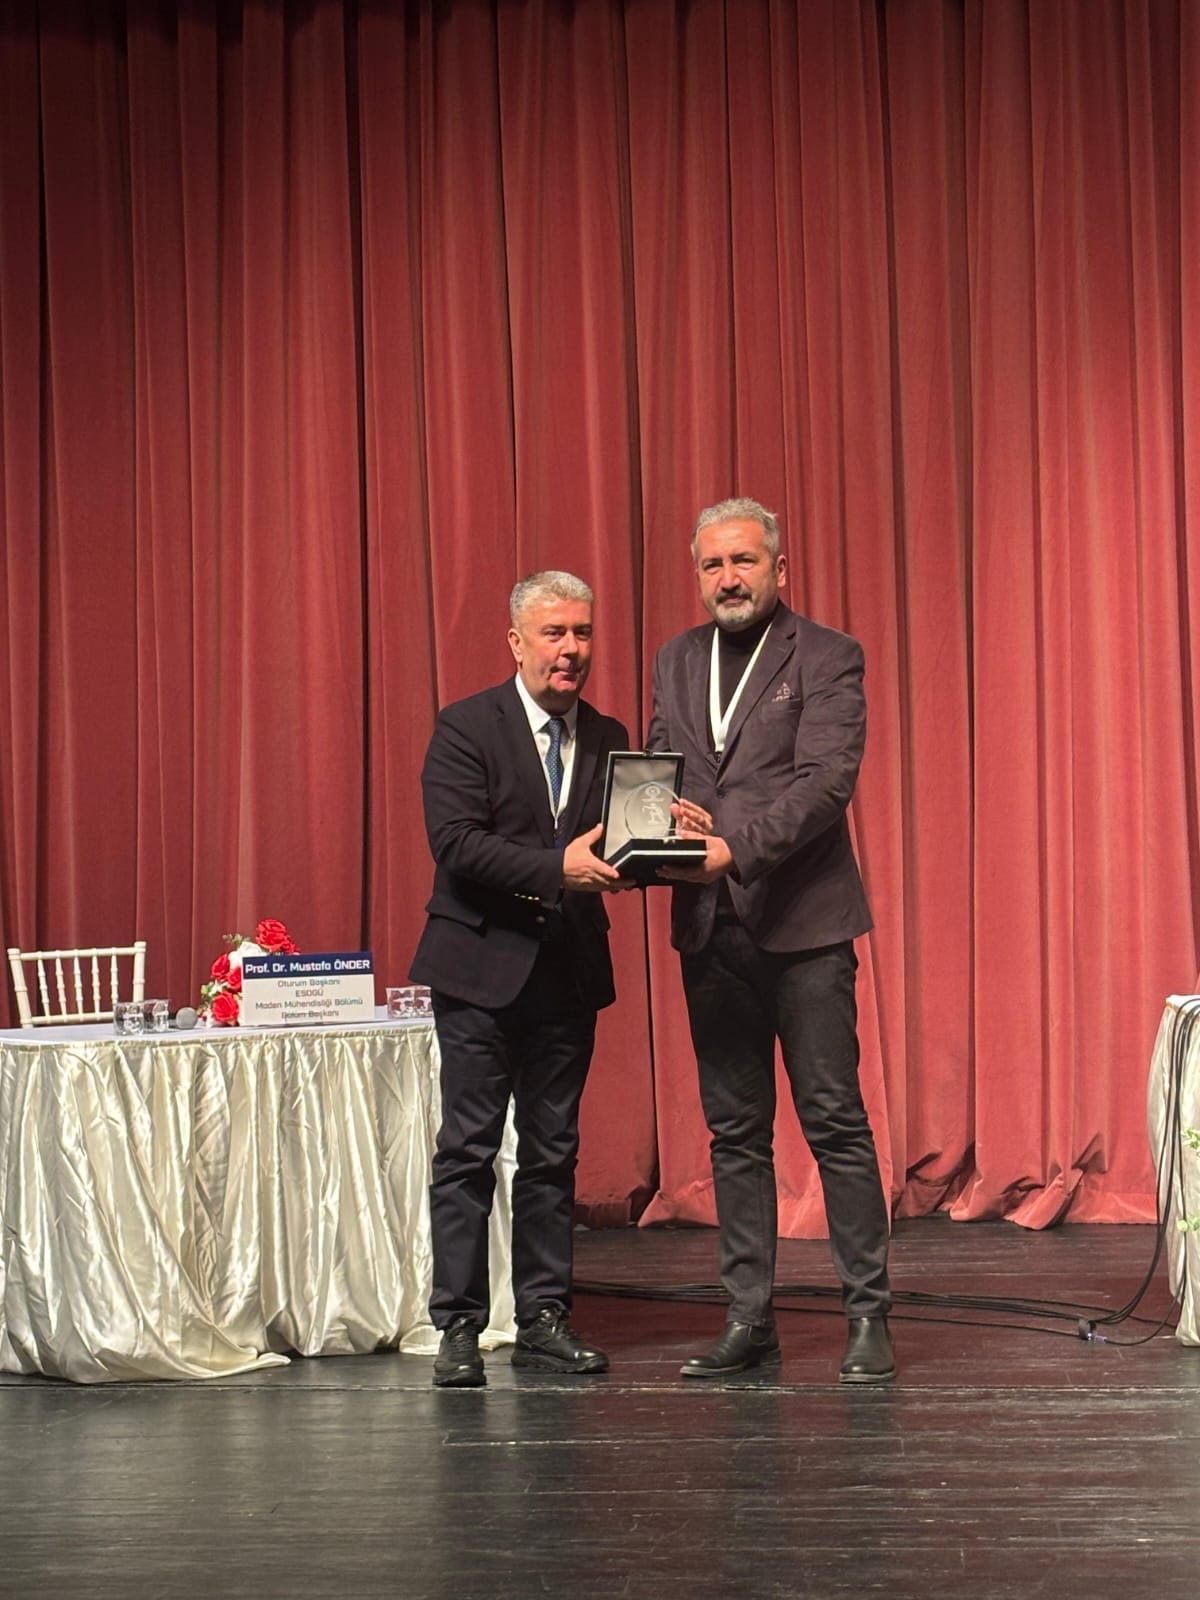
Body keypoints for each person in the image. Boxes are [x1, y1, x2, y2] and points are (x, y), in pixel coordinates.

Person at [648, 497, 895, 1383]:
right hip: (710, 928)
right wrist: (659, 821)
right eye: (713, 565)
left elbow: (826, 783)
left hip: (804, 928)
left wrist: (731, 848)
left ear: (779, 569)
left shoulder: (827, 655)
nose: (729, 578)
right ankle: (749, 1319)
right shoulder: (676, 659)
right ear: (698, 574)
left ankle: (867, 1316)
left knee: (834, 1120)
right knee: (735, 1132)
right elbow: (663, 766)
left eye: (744, 561)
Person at [411, 570, 629, 1387]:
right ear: (516, 642)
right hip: (477, 974)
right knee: (467, 1152)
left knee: (552, 1156)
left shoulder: (610, 736)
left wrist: (669, 841)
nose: (571, 649)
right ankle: (459, 1327)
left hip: (568, 975)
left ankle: (543, 1318)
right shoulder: (466, 726)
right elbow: (456, 843)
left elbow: (616, 852)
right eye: (553, 633)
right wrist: (555, 868)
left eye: (582, 633)